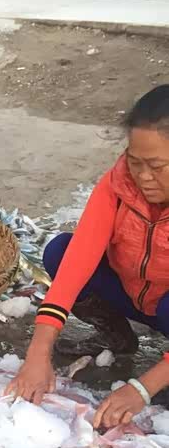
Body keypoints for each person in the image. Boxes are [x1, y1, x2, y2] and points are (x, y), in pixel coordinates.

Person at [9, 85, 169, 430]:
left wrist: (141, 388)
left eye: (157, 166)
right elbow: (76, 264)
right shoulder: (118, 186)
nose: (143, 176)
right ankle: (117, 336)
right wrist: (38, 353)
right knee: (60, 251)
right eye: (135, 162)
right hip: (130, 294)